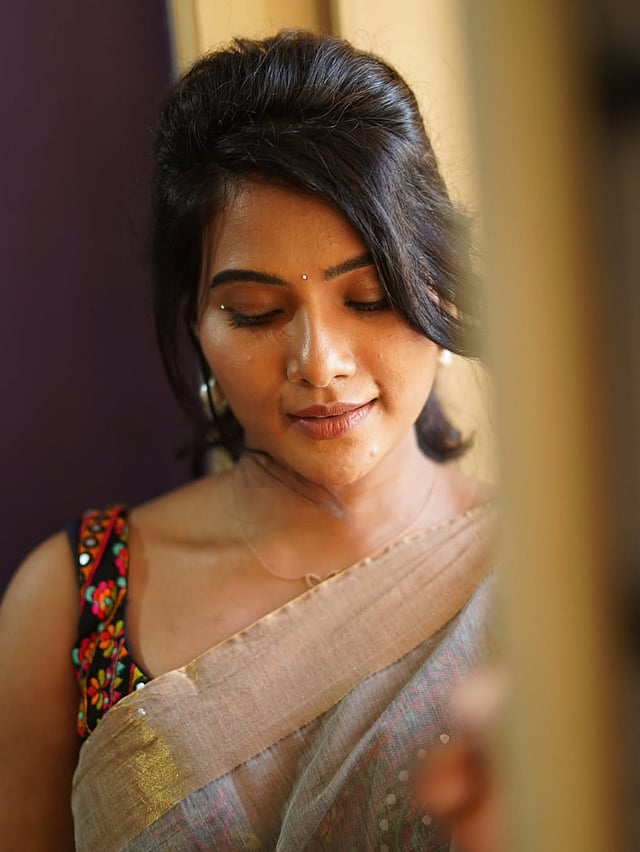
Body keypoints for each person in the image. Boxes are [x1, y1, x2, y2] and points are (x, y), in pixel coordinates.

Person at [0, 30, 497, 851]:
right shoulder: (76, 602)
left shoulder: (553, 573)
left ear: (438, 290)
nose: (320, 364)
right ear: (198, 325)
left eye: (369, 298)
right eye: (257, 314)